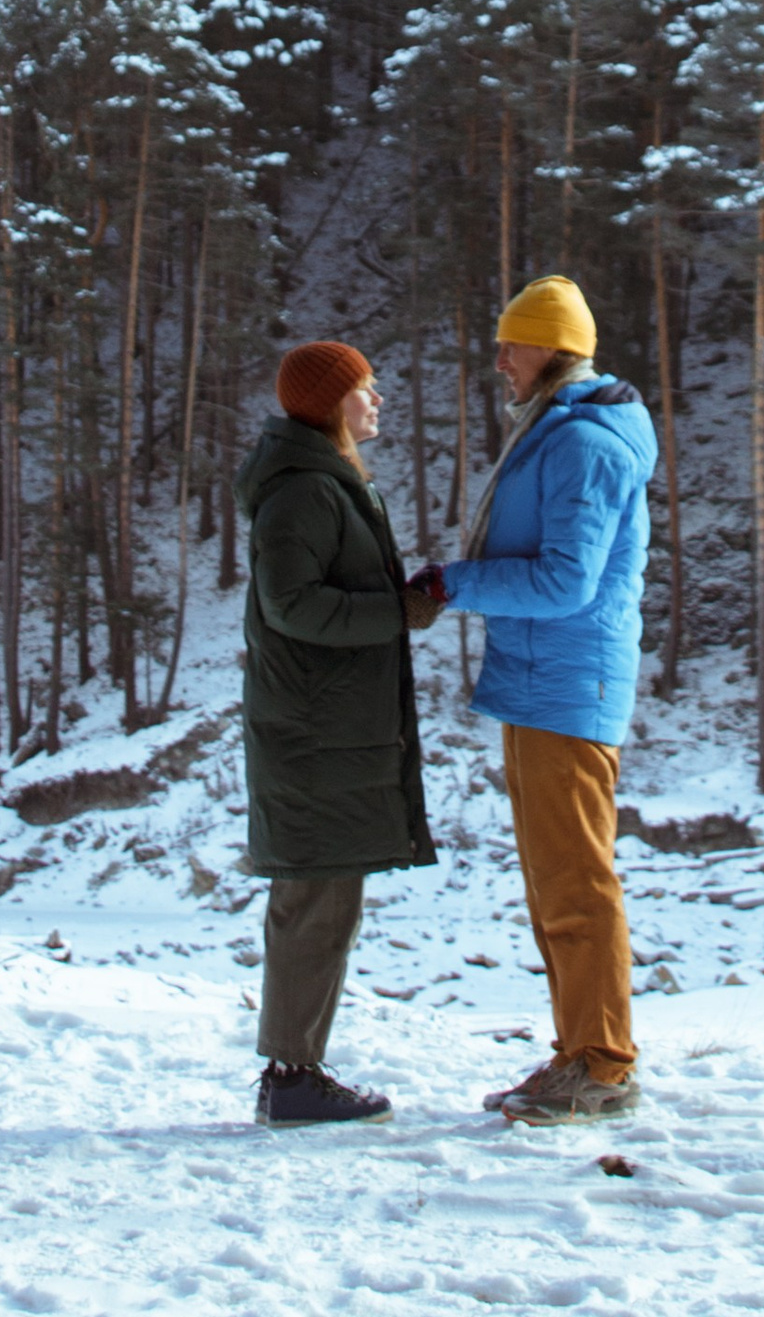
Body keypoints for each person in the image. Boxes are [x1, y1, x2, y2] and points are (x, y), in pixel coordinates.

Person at [442, 274, 659, 1124]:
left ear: (553, 350)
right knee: (554, 882)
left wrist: (453, 584)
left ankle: (603, 1065)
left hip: (569, 683)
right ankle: (579, 1054)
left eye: (512, 344)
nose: (499, 360)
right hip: (541, 680)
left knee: (577, 884)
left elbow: (566, 580)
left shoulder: (585, 444)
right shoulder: (559, 429)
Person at [236, 338, 444, 1125]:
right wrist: (401, 610)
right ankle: (292, 1078)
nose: (378, 400)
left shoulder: (325, 484)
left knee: (324, 899)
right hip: (314, 736)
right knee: (316, 901)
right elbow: (295, 606)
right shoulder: (304, 493)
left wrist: (400, 597)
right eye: (366, 389)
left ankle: (295, 1072)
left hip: (322, 731)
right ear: (331, 405)